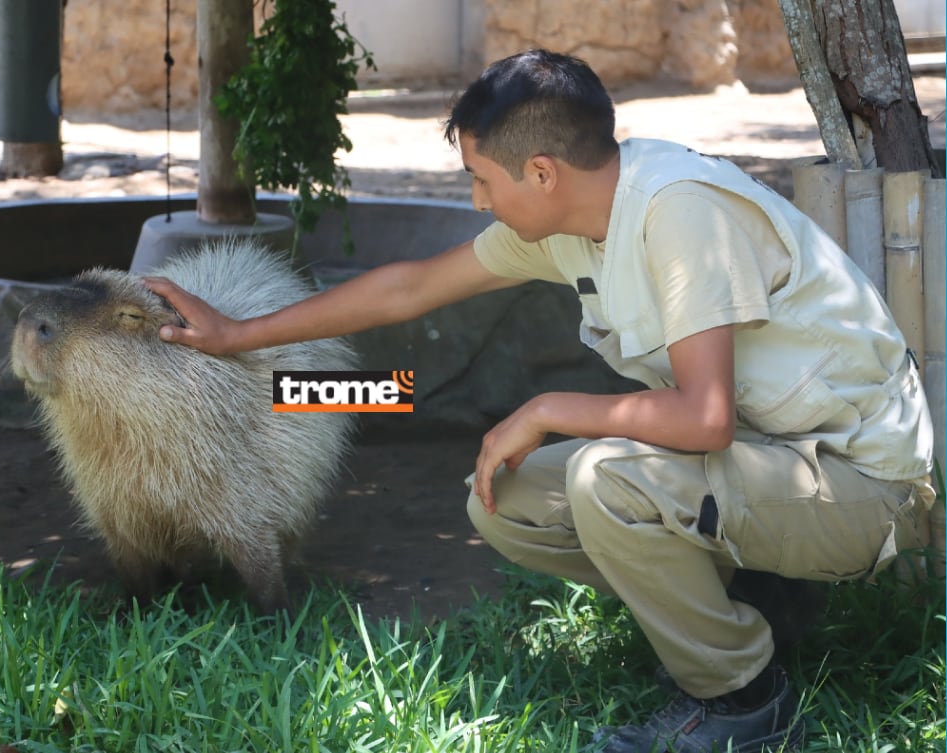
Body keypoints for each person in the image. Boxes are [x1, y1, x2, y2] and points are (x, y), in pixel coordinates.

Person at [145, 49, 935, 753]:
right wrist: (236, 335)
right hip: (760, 462)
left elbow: (704, 418)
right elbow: (411, 286)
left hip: (855, 483)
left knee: (603, 481)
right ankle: (741, 610)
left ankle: (742, 700)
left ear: (542, 173)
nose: (480, 201)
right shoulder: (570, 219)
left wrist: (545, 406)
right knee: (506, 498)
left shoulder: (678, 210)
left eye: (481, 180)